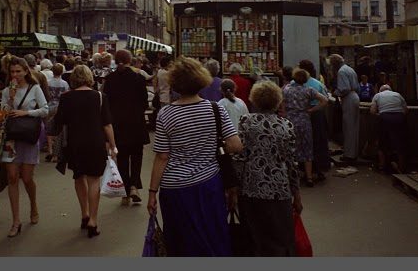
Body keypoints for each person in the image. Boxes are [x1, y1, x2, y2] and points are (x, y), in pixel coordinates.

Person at [146, 57, 243, 257]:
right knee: (212, 234)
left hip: (174, 189)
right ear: (201, 79)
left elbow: (162, 157)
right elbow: (235, 145)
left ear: (174, 83)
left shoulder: (165, 114)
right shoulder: (216, 109)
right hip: (208, 184)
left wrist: (152, 192)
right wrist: (213, 145)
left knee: (180, 239)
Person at [234, 81, 302, 256]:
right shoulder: (286, 126)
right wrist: (297, 194)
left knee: (255, 237)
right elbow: (291, 163)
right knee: (280, 238)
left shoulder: (246, 122)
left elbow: (240, 157)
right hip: (280, 189)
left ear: (254, 100)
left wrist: (234, 188)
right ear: (277, 101)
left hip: (251, 187)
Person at [53, 65, 118, 237]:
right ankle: (93, 220)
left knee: (78, 177)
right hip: (95, 143)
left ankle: (84, 214)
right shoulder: (99, 97)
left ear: (73, 79)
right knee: (94, 180)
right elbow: (107, 124)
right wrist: (113, 145)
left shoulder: (66, 98)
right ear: (90, 77)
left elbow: (60, 121)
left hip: (74, 143)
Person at [0, 57, 49, 237]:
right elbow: (3, 112)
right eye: (12, 72)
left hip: (28, 137)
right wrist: (10, 100)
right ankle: (15, 221)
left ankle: (34, 206)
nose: (15, 75)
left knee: (27, 178)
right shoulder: (6, 91)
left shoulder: (34, 88)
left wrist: (26, 112)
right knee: (12, 177)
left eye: (18, 71)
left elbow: (45, 109)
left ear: (26, 71)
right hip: (11, 138)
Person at [104, 49, 150, 207]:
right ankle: (134, 186)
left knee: (122, 157)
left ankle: (125, 191)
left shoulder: (109, 79)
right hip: (136, 123)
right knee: (137, 156)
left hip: (118, 125)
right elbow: (144, 102)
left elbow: (106, 103)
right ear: (130, 60)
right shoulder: (138, 78)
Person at [283, 68, 328, 186]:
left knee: (291, 148)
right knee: (307, 148)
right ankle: (309, 178)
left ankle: (291, 176)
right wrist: (312, 110)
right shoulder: (309, 90)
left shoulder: (286, 89)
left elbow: (280, 103)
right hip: (304, 121)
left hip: (290, 121)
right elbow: (324, 100)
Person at [298, 59, 331, 179]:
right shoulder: (317, 83)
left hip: (303, 114)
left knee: (304, 143)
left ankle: (304, 168)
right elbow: (326, 98)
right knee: (319, 141)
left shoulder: (295, 84)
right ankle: (319, 168)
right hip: (317, 114)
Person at [370, 84, 408, 173]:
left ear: (380, 91)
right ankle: (402, 166)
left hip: (385, 117)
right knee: (400, 143)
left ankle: (382, 165)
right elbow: (406, 110)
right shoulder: (398, 95)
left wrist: (381, 115)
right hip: (399, 117)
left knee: (382, 142)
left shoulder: (378, 95)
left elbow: (372, 111)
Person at [329, 54, 360, 163]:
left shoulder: (341, 71)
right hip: (355, 96)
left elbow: (344, 88)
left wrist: (335, 92)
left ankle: (349, 155)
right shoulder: (349, 69)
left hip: (348, 98)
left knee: (348, 127)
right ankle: (353, 152)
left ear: (334, 63)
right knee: (354, 127)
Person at [45, 63, 70, 162]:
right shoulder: (64, 83)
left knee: (49, 128)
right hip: (60, 107)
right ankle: (56, 150)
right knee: (58, 128)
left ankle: (50, 149)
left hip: (49, 106)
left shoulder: (47, 82)